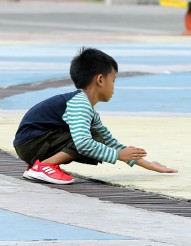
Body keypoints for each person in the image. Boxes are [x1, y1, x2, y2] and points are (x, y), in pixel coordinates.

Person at [13, 47, 178, 185]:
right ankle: (45, 165)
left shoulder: (86, 107)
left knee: (97, 137)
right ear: (100, 80)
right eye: (113, 80)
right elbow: (84, 143)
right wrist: (118, 155)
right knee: (91, 137)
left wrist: (148, 165)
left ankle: (41, 165)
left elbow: (108, 141)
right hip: (32, 143)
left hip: (33, 142)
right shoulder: (80, 104)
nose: (114, 87)